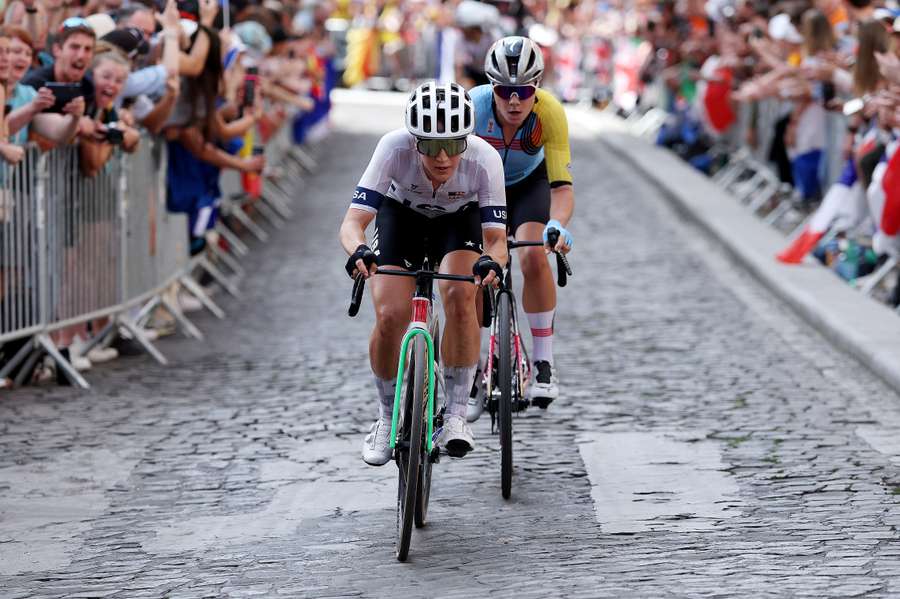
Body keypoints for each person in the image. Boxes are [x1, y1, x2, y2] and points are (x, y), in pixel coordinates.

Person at [338, 80, 508, 466]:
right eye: (431, 145)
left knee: (461, 296)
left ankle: (456, 416)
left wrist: (492, 261)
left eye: (454, 144)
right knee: (390, 315)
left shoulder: (485, 160)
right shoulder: (392, 148)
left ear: (468, 139)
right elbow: (353, 222)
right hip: (402, 218)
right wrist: (357, 250)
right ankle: (385, 417)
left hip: (458, 223)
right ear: (415, 141)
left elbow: (497, 240)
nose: (444, 156)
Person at [466, 36, 574, 421]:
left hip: (529, 184)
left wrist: (557, 224)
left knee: (531, 253)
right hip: (480, 187)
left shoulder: (550, 114)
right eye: (504, 91)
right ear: (491, 87)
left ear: (538, 87)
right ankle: (474, 367)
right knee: (475, 267)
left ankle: (544, 364)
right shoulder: (473, 108)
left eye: (524, 91)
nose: (514, 101)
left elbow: (561, 187)